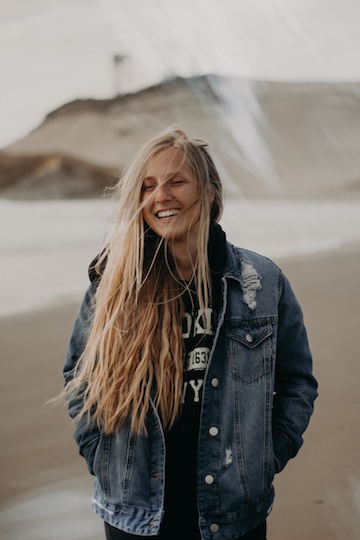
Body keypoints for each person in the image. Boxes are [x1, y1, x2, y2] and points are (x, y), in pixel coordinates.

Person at [63, 127, 318, 540]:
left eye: (176, 181)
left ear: (211, 191)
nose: (160, 196)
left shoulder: (262, 283)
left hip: (234, 513)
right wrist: (103, 457)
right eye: (147, 186)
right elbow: (80, 379)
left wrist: (266, 457)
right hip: (135, 514)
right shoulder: (115, 286)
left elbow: (297, 381)